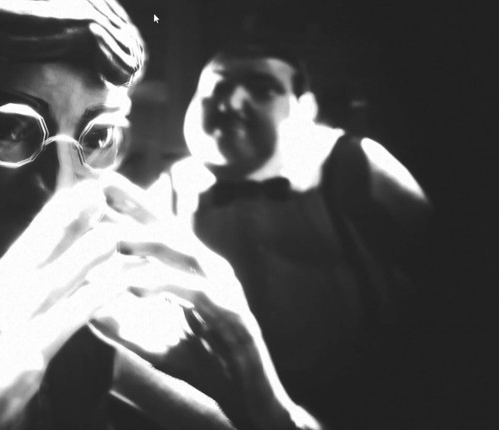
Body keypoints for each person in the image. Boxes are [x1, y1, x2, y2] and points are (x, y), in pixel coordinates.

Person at [0, 1, 322, 430]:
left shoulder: (119, 334)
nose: (60, 187)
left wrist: (264, 401)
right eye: (10, 129)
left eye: (98, 136)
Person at [162, 20, 432, 430]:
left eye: (261, 88)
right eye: (216, 87)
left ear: (304, 108)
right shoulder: (173, 188)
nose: (231, 102)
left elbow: (448, 274)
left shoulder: (353, 163)